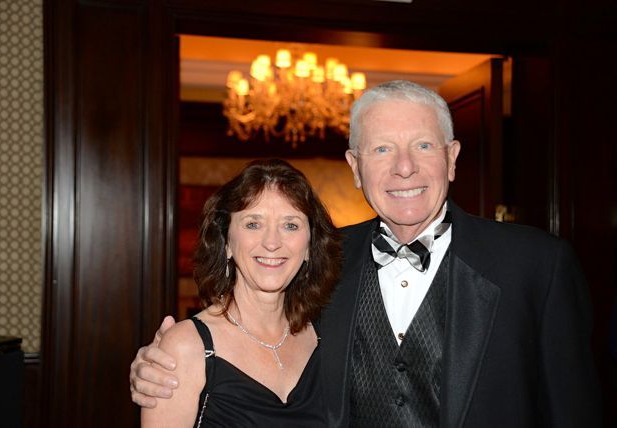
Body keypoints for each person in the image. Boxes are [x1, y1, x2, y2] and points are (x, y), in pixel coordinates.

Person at [131, 81, 602, 427]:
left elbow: (573, 413)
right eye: (381, 149)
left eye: (422, 145)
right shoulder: (320, 257)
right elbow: (247, 332)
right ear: (355, 167)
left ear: (453, 158)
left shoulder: (536, 265)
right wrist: (163, 365)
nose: (404, 167)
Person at [140, 159, 341, 426]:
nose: (272, 242)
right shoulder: (186, 347)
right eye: (253, 224)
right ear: (226, 242)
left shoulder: (328, 337)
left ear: (309, 247)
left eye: (290, 225)